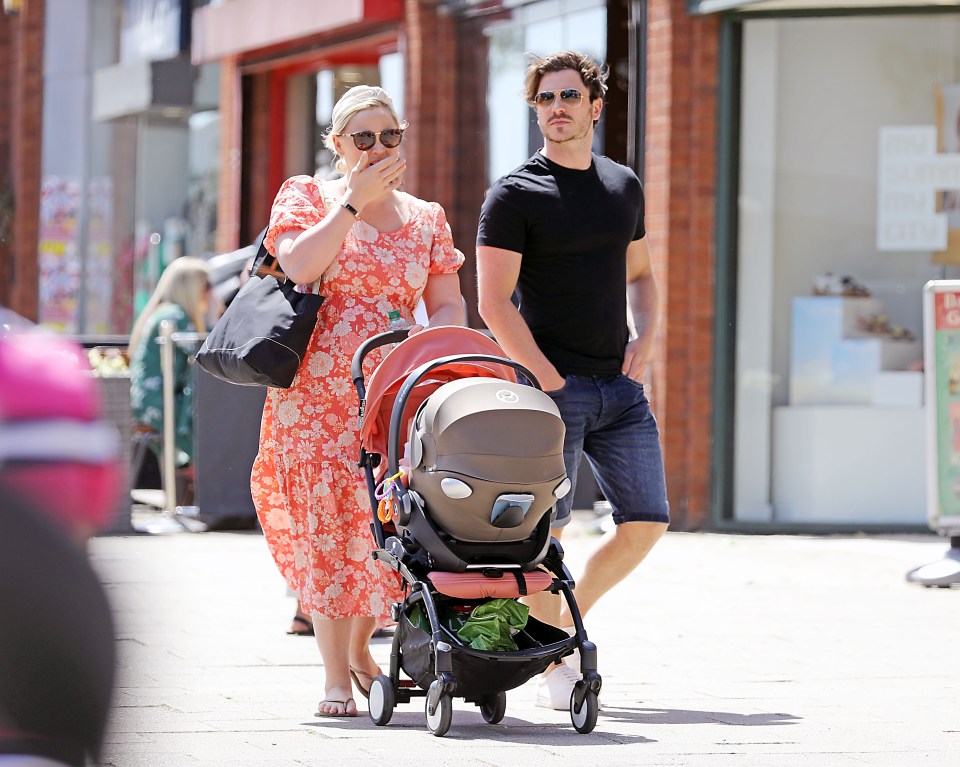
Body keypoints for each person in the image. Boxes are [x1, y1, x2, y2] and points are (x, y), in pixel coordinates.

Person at [251, 84, 465, 717]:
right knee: (328, 528)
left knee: (378, 526)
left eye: (389, 136)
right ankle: (336, 678)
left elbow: (447, 297)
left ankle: (363, 657)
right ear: (336, 144)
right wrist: (352, 202)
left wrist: (434, 336)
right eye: (363, 138)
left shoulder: (426, 216)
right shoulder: (308, 195)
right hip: (315, 392)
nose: (378, 148)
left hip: (391, 389)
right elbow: (296, 264)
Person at [476, 51, 670, 710]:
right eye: (543, 99)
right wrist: (548, 377)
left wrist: (647, 330)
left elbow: (641, 274)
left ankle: (559, 628)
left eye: (567, 96)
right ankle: (554, 653)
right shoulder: (514, 193)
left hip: (618, 389)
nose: (555, 108)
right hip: (549, 393)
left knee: (646, 521)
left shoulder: (623, 186)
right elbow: (494, 302)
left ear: (595, 105)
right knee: (543, 533)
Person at [128, 257, 213, 504]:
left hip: (147, 402)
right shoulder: (176, 316)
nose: (210, 292)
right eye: (206, 286)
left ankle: (193, 474)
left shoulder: (161, 312)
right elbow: (204, 358)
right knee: (209, 422)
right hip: (158, 406)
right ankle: (200, 472)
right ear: (191, 287)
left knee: (198, 409)